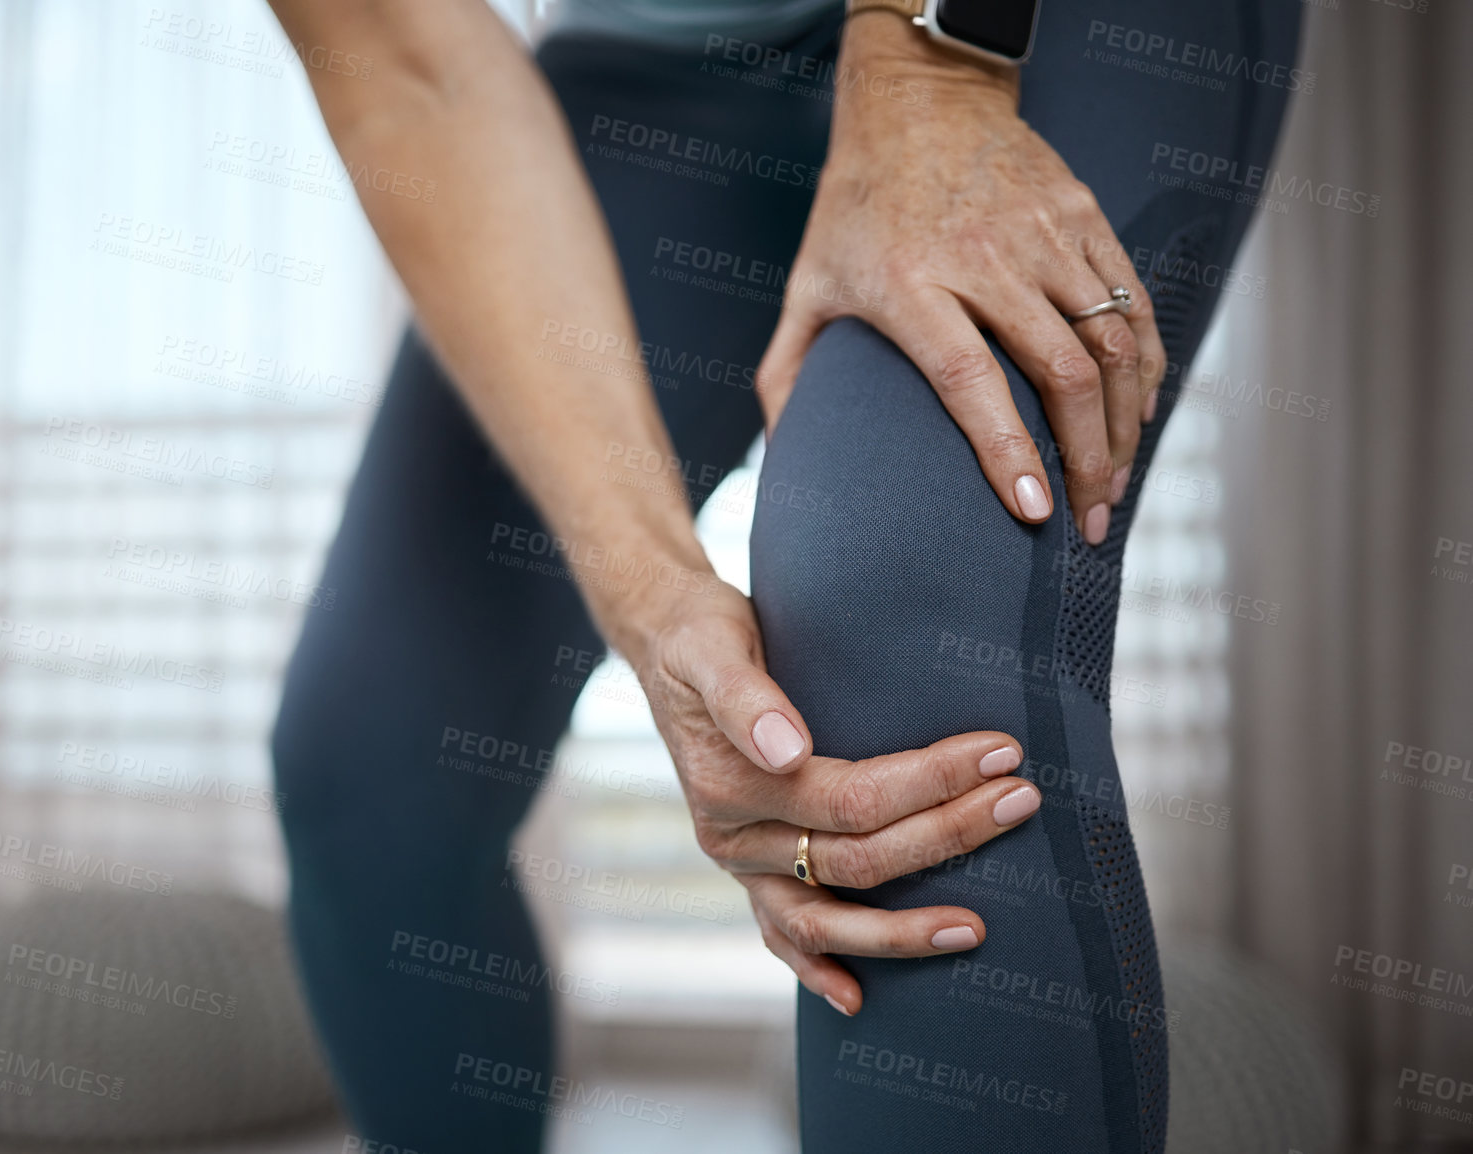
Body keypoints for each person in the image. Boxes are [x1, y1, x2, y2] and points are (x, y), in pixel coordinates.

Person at [265, 0, 1299, 1149]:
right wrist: (652, 598)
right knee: (372, 761)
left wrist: (928, 70)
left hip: (1053, 28)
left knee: (891, 605)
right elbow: (411, 64)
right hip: (655, 65)